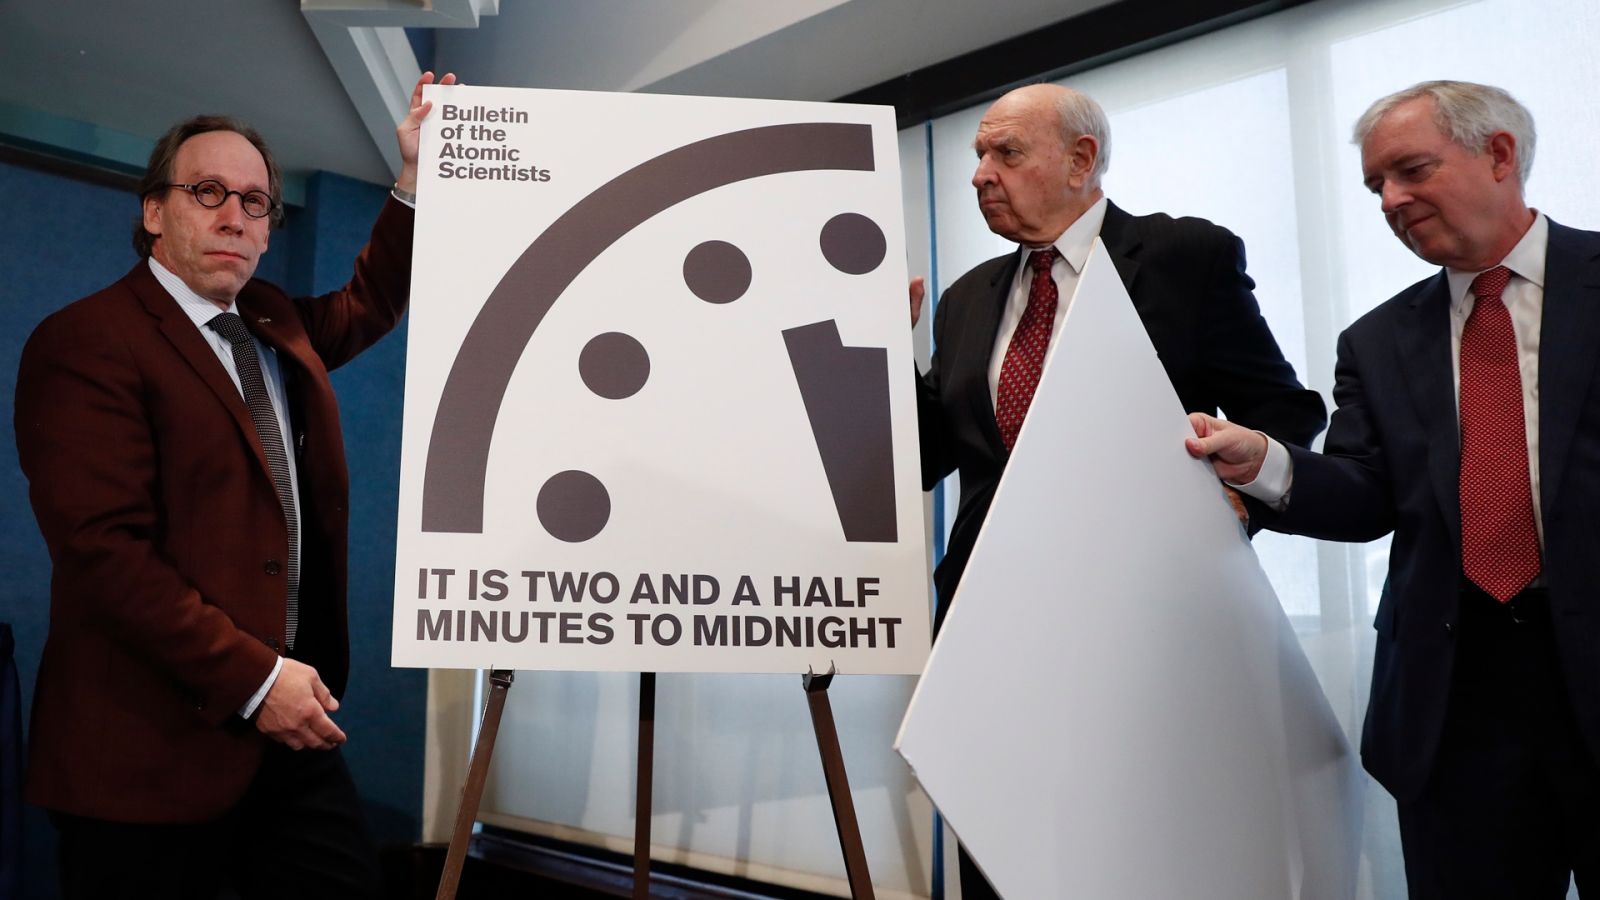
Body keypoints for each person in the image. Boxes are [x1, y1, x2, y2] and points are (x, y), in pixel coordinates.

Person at [13, 71, 455, 898]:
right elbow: (104, 552)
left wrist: (413, 180)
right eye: (208, 192)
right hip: (147, 749)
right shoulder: (86, 340)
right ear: (154, 212)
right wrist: (256, 680)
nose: (234, 217)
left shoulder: (273, 322)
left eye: (255, 202)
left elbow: (369, 302)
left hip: (287, 731)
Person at [1187, 80, 1600, 898]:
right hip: (1454, 704)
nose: (1391, 201)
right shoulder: (1376, 340)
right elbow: (1369, 495)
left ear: (1500, 155)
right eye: (1376, 185)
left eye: (1411, 171)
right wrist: (1265, 460)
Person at [914, 83, 1326, 899]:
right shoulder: (966, 300)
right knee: (999, 854)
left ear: (1081, 160)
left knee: (1134, 857)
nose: (981, 174)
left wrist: (1231, 508)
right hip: (987, 633)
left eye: (1006, 152)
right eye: (979, 155)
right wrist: (876, 355)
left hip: (1143, 634)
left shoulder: (1185, 259)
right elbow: (927, 457)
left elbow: (1285, 411)